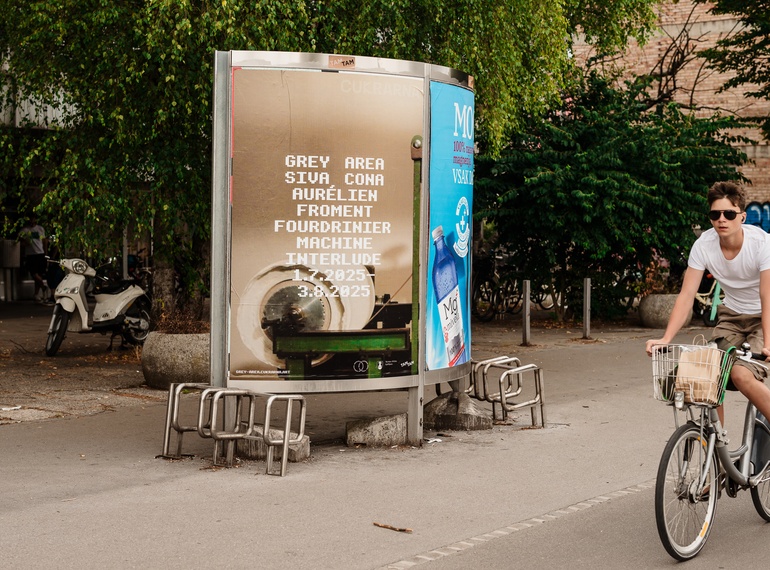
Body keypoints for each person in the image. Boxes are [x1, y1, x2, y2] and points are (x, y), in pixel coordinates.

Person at [645, 181, 770, 426]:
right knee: (708, 369)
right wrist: (666, 338)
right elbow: (686, 295)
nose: (721, 219)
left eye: (729, 214)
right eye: (715, 214)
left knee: (740, 374)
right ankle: (717, 449)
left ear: (742, 216)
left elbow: (767, 297)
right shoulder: (704, 245)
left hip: (763, 316)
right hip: (732, 316)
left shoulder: (762, 244)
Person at [18, 215, 50, 304]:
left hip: (40, 253)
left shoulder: (40, 229)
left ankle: (36, 294)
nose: (32, 221)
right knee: (33, 273)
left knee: (39, 273)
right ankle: (43, 287)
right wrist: (24, 243)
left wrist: (45, 253)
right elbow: (20, 242)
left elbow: (44, 241)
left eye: (33, 219)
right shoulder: (25, 230)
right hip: (30, 254)